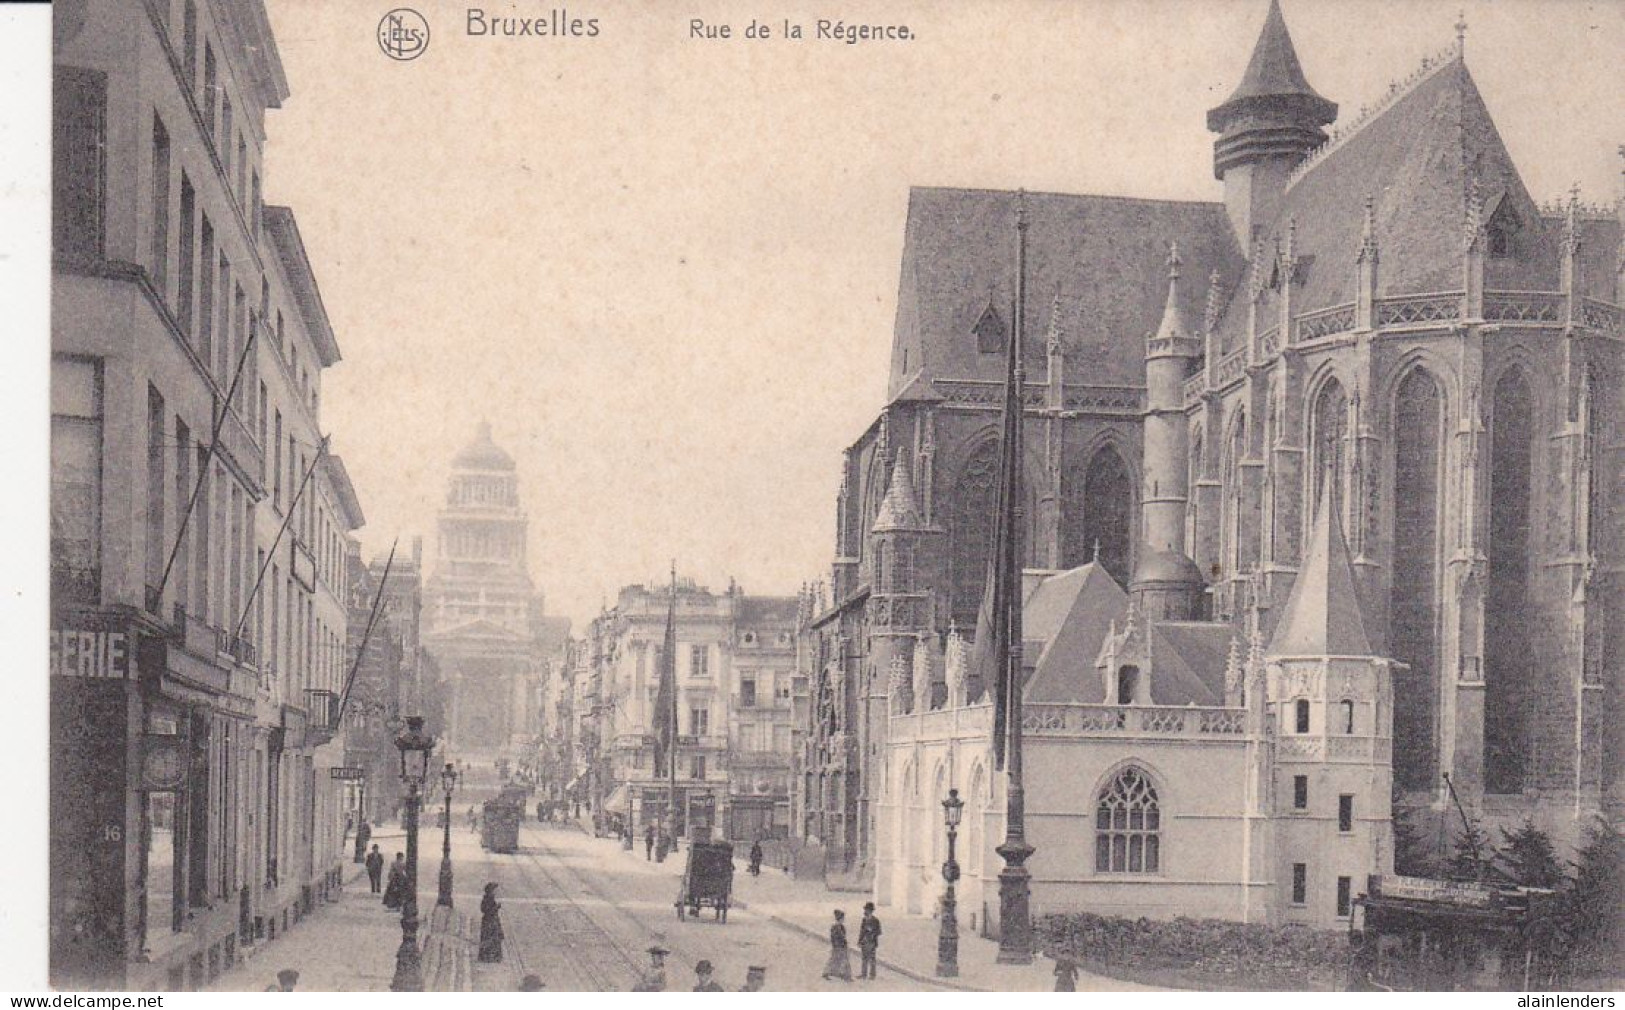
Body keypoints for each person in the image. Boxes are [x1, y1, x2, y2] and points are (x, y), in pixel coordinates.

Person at [821, 909, 853, 982]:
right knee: (834, 960)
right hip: (837, 947)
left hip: (842, 946)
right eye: (842, 918)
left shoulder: (842, 927)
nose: (843, 920)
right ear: (840, 919)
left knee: (844, 960)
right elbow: (834, 938)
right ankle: (826, 973)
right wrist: (836, 946)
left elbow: (844, 936)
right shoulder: (835, 927)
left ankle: (845, 975)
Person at [478, 882, 505, 962]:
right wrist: (496, 907)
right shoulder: (488, 899)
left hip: (491, 920)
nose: (496, 892)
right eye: (495, 890)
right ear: (491, 891)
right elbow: (485, 910)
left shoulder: (489, 898)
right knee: (491, 937)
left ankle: (490, 956)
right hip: (489, 921)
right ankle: (490, 957)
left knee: (492, 937)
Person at [857, 902, 882, 980]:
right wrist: (859, 941)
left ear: (871, 911)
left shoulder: (876, 920)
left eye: (867, 910)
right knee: (864, 958)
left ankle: (872, 975)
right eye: (865, 910)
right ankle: (863, 974)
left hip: (872, 942)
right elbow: (861, 931)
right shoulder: (864, 920)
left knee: (872, 959)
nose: (865, 911)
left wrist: (872, 933)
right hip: (864, 942)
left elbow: (879, 931)